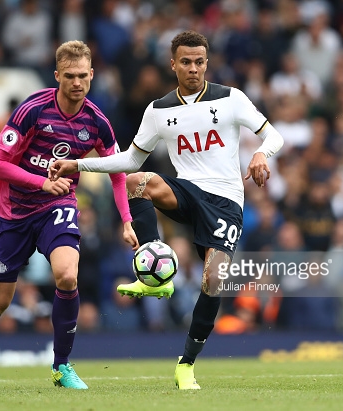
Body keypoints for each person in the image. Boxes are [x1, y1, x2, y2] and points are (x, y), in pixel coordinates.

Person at [49, 30, 284, 389]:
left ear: (207, 63)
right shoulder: (159, 110)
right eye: (186, 62)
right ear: (173, 64)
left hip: (225, 200)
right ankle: (153, 263)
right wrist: (79, 165)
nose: (193, 69)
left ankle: (186, 363)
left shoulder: (231, 98)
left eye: (200, 62)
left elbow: (275, 136)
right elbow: (128, 159)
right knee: (137, 181)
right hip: (187, 190)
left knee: (214, 278)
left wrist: (260, 153)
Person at [0, 40, 137, 389]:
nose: (77, 83)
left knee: (67, 276)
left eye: (83, 76)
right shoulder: (33, 110)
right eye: (69, 76)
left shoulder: (97, 122)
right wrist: (41, 182)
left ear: (92, 75)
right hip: (11, 211)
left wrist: (127, 220)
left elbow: (118, 171)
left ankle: (61, 366)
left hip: (57, 206)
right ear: (57, 75)